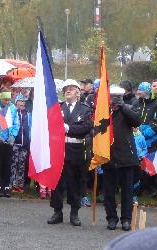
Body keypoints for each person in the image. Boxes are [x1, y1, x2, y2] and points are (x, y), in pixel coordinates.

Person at [47, 80, 93, 226]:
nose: (68, 91)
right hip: (58, 150)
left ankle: (74, 213)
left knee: (75, 183)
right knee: (57, 183)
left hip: (76, 151)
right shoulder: (57, 108)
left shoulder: (85, 109)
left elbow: (86, 127)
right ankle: (57, 212)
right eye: (66, 89)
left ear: (78, 92)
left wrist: (68, 128)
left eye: (71, 89)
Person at [103, 85, 141, 231]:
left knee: (127, 191)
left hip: (126, 156)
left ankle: (126, 219)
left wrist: (123, 107)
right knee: (108, 192)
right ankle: (111, 218)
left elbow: (136, 121)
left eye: (117, 96)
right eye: (111, 96)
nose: (114, 99)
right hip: (108, 156)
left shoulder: (129, 108)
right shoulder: (104, 111)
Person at [0, 88, 19, 198]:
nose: (7, 102)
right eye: (5, 100)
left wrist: (13, 135)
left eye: (8, 99)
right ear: (0, 98)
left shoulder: (12, 108)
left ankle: (6, 186)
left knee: (7, 163)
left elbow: (16, 122)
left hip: (9, 141)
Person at [10, 94, 31, 193]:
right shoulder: (13, 113)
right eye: (21, 101)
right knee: (14, 163)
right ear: (16, 102)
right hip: (15, 142)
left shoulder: (28, 114)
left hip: (25, 143)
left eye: (24, 101)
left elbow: (30, 127)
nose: (23, 102)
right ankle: (13, 184)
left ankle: (20, 184)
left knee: (22, 164)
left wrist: (29, 139)